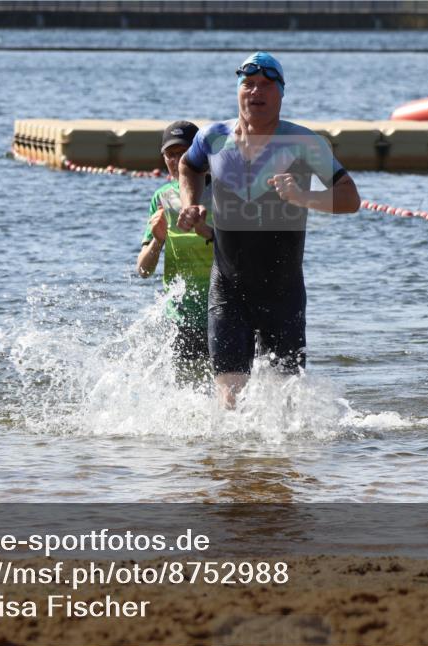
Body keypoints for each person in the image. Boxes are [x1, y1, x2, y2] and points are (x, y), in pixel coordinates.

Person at [177, 52, 361, 408]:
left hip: (283, 292)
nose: (255, 92)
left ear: (281, 93)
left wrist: (304, 196)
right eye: (248, 84)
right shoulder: (212, 138)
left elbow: (350, 198)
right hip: (228, 289)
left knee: (284, 406)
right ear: (238, 90)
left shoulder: (305, 144)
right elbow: (188, 166)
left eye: (265, 85)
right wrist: (191, 203)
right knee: (230, 402)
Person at [136, 120, 214, 381]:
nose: (176, 160)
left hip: (222, 311)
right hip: (181, 318)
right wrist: (158, 241)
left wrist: (207, 231)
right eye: (170, 154)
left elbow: (243, 255)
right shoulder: (161, 198)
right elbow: (143, 271)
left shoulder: (223, 193)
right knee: (184, 389)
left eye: (183, 153)